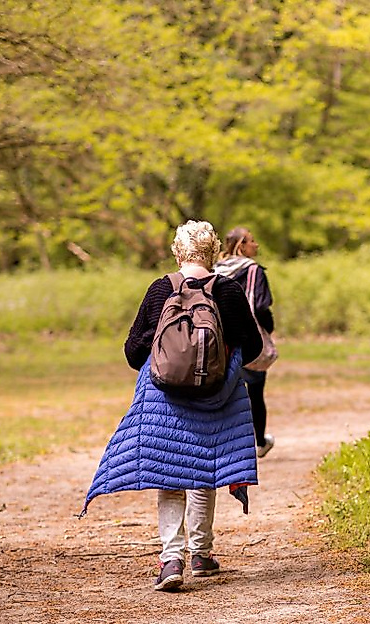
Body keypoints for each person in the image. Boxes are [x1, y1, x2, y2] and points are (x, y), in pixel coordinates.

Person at [82, 220, 264, 592]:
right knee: (204, 472)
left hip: (165, 398)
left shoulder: (160, 289)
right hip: (218, 396)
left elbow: (134, 351)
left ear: (178, 253)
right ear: (213, 253)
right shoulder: (227, 291)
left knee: (170, 476)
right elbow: (254, 348)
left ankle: (171, 559)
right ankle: (201, 553)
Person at [215, 226, 276, 459]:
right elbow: (261, 306)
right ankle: (259, 442)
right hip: (248, 337)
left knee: (226, 391)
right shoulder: (254, 271)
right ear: (241, 245)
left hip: (220, 338)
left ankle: (227, 442)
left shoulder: (215, 270)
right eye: (252, 241)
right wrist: (266, 330)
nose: (256, 245)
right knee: (255, 391)